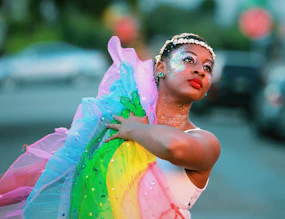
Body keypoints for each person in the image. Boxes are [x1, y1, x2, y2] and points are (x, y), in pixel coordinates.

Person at [0, 33, 221, 219]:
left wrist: (135, 130)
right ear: (160, 68)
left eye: (208, 67)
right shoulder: (118, 121)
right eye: (189, 60)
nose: (200, 70)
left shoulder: (206, 142)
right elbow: (54, 170)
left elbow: (173, 147)